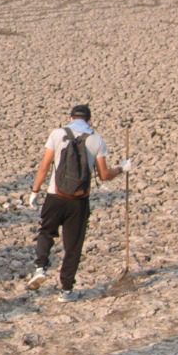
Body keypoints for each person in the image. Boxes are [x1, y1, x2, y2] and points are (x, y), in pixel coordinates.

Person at [24, 105, 129, 301]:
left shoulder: (57, 134)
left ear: (70, 118)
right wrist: (122, 169)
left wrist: (35, 191)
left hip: (55, 196)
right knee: (73, 246)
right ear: (90, 120)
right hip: (79, 202)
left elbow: (44, 166)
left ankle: (40, 267)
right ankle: (66, 291)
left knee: (46, 232)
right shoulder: (96, 140)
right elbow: (104, 175)